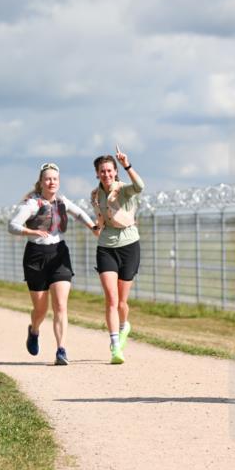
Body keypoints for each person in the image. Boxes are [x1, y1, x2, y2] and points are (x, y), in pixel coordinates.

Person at [8, 162, 99, 365]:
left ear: (59, 182)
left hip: (59, 254)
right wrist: (31, 232)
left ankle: (61, 350)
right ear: (41, 182)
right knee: (41, 309)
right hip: (36, 256)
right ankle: (34, 330)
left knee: (60, 305)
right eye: (48, 179)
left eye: (55, 179)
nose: (52, 182)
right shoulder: (32, 204)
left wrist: (93, 226)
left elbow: (79, 213)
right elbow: (12, 226)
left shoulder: (61, 201)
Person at [91, 146, 145, 365]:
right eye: (102, 171)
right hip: (105, 247)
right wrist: (96, 226)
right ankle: (115, 345)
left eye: (109, 170)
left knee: (122, 302)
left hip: (129, 245)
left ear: (115, 171)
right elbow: (100, 219)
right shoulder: (95, 195)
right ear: (97, 173)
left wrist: (127, 165)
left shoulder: (123, 190)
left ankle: (124, 327)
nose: (106, 174)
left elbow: (140, 186)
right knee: (111, 299)